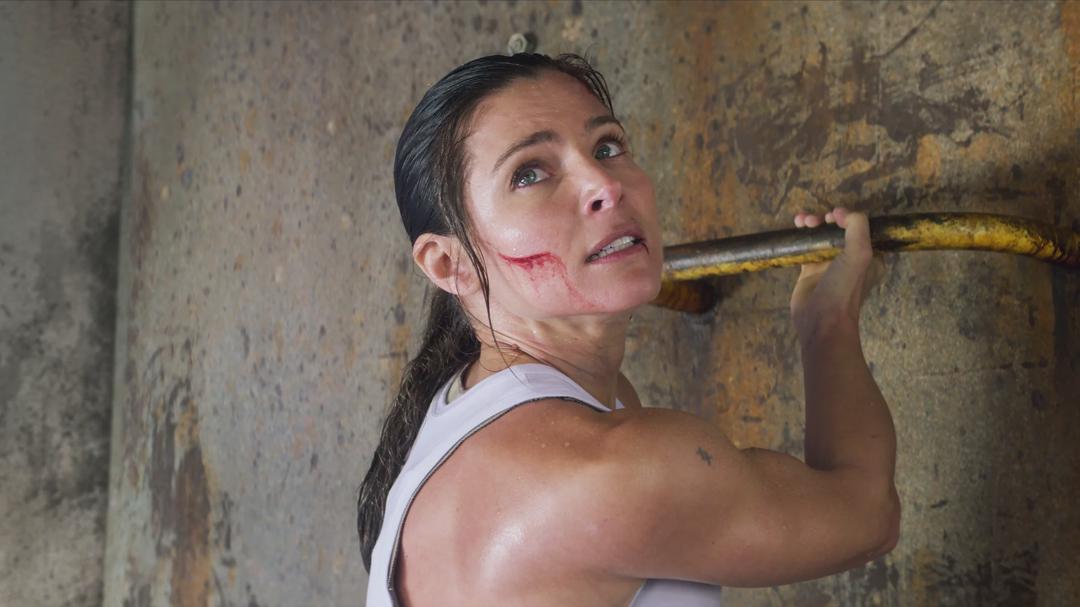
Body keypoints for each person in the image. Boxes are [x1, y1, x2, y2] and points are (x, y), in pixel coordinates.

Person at [357, 52, 898, 607]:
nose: (605, 185)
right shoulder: (608, 475)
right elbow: (866, 515)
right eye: (529, 173)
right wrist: (828, 321)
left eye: (607, 147)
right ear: (450, 265)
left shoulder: (463, 414)